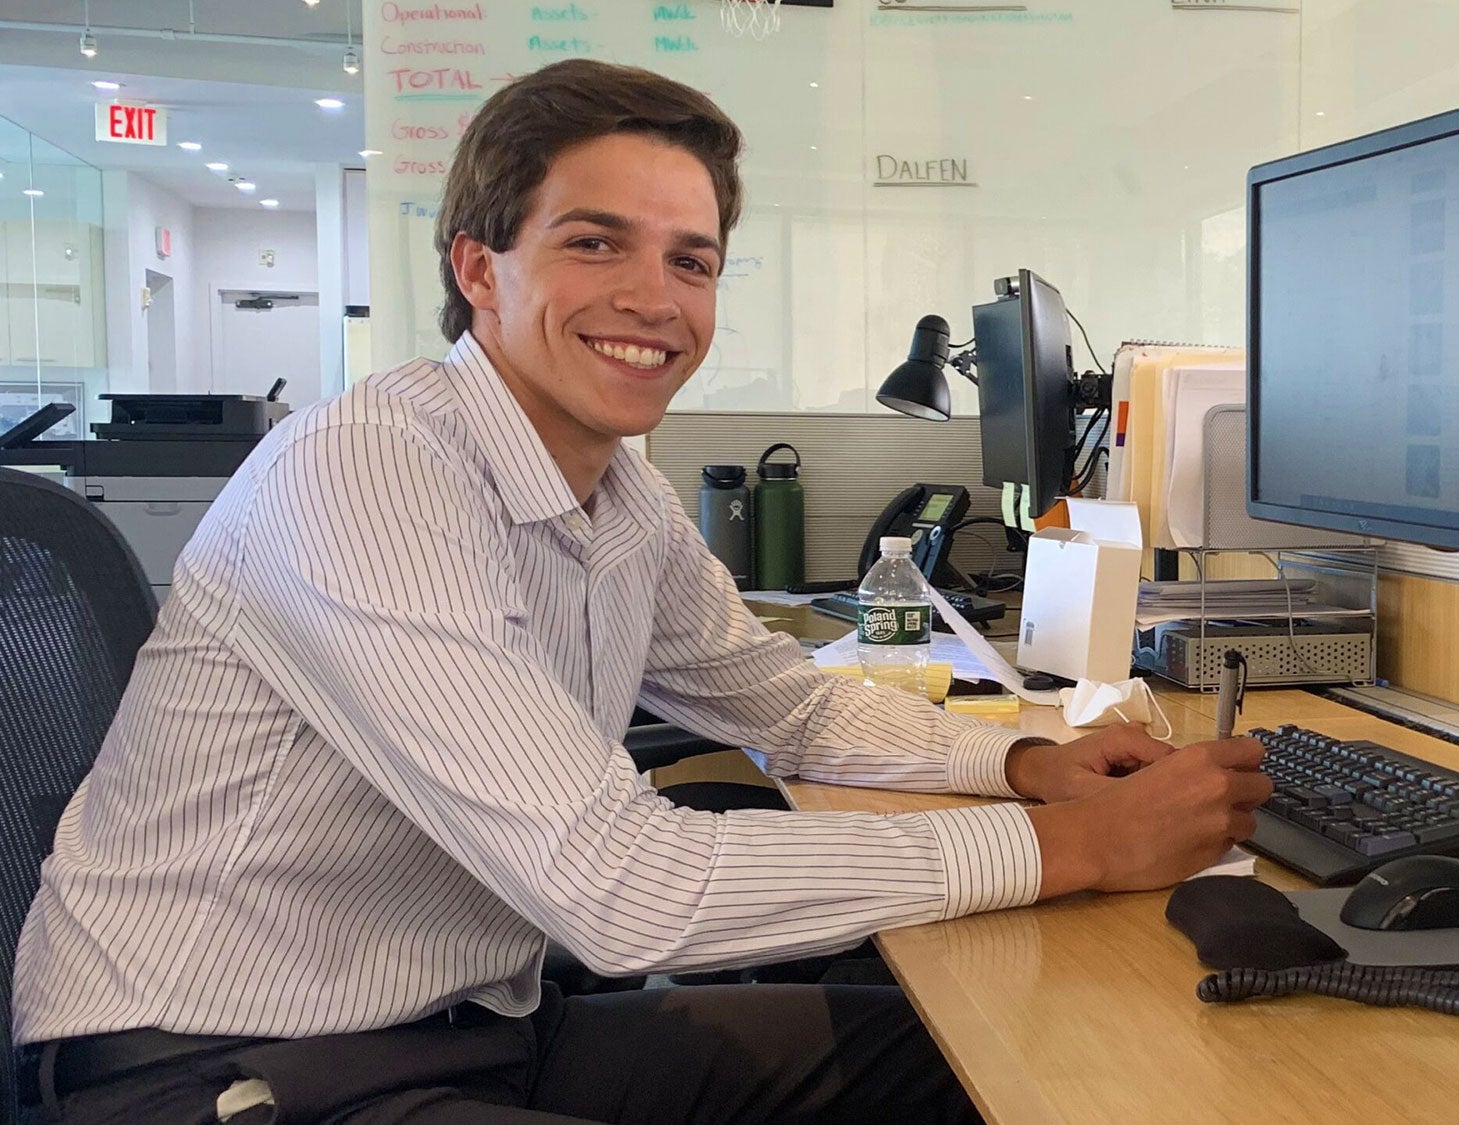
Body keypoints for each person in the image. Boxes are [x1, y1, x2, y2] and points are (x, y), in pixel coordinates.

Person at [11, 58, 1271, 1124]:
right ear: (479, 268)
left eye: (692, 260)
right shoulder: (370, 473)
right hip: (220, 1064)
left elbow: (792, 709)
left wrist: (1020, 771)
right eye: (593, 242)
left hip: (482, 1019)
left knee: (970, 1064)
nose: (653, 300)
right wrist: (1068, 848)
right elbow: (622, 890)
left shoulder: (617, 494)